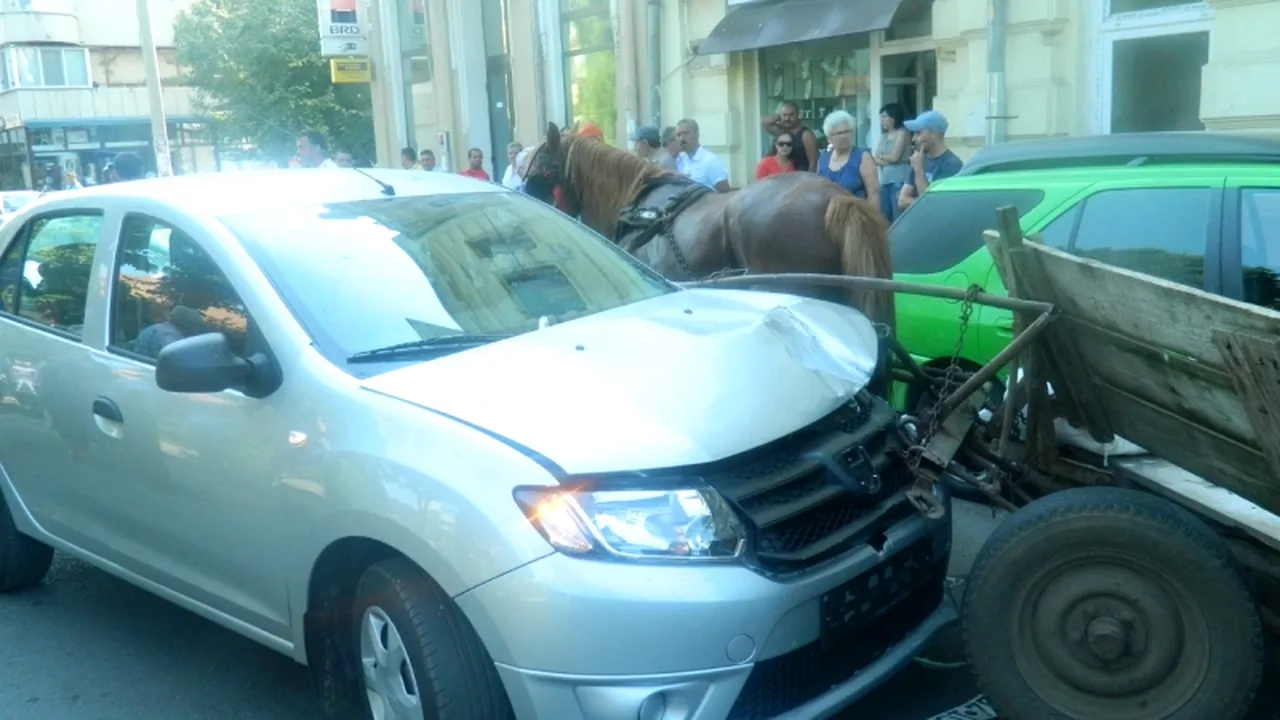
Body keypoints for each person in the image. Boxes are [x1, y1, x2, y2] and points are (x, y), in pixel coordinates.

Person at [898, 110, 964, 212]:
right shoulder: (920, 160)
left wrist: (919, 170)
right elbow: (901, 201)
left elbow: (931, 206)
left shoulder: (951, 165)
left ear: (934, 134)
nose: (913, 139)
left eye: (918, 133)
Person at [816, 110, 879, 203]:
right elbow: (817, 191)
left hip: (855, 214)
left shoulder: (862, 157)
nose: (844, 136)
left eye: (847, 131)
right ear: (829, 138)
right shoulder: (823, 159)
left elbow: (874, 193)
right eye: (839, 133)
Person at [873, 103, 911, 221]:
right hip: (885, 181)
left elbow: (895, 156)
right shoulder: (884, 136)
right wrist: (889, 159)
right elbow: (874, 158)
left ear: (894, 117)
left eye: (885, 117)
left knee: (898, 216)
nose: (882, 120)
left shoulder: (902, 133)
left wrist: (883, 158)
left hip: (899, 181)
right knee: (884, 217)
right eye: (881, 117)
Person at [761, 101, 819, 172]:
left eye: (791, 115)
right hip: (782, 175)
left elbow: (813, 162)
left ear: (798, 115)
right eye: (784, 115)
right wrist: (781, 116)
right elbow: (765, 122)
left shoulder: (806, 134)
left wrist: (810, 180)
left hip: (800, 175)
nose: (787, 118)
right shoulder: (780, 131)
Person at [675, 118, 730, 192]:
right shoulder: (680, 160)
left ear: (697, 134)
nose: (681, 138)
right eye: (678, 135)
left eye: (686, 133)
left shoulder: (710, 161)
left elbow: (725, 194)